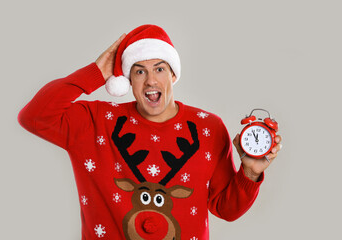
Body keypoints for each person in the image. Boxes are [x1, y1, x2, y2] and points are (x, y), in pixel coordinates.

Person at [18, 24, 282, 240]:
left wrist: (250, 173)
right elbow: (34, 116)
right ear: (128, 80)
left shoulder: (208, 127)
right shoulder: (95, 121)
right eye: (139, 71)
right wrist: (96, 73)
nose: (151, 81)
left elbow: (226, 209)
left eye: (159, 69)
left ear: (173, 75)